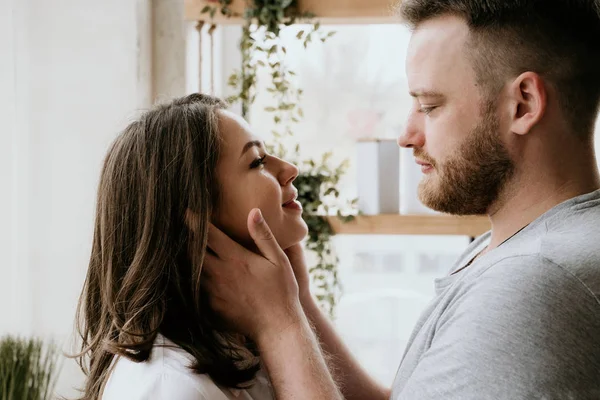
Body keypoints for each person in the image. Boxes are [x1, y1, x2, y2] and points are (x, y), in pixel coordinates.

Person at [202, 1, 600, 399]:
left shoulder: (531, 283)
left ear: (523, 104)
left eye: (430, 106)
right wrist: (298, 302)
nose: (406, 134)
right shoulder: (516, 245)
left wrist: (277, 324)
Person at [73, 93, 312, 400]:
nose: (289, 169)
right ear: (195, 224)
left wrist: (293, 304)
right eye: (257, 161)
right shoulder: (169, 388)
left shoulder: (247, 348)